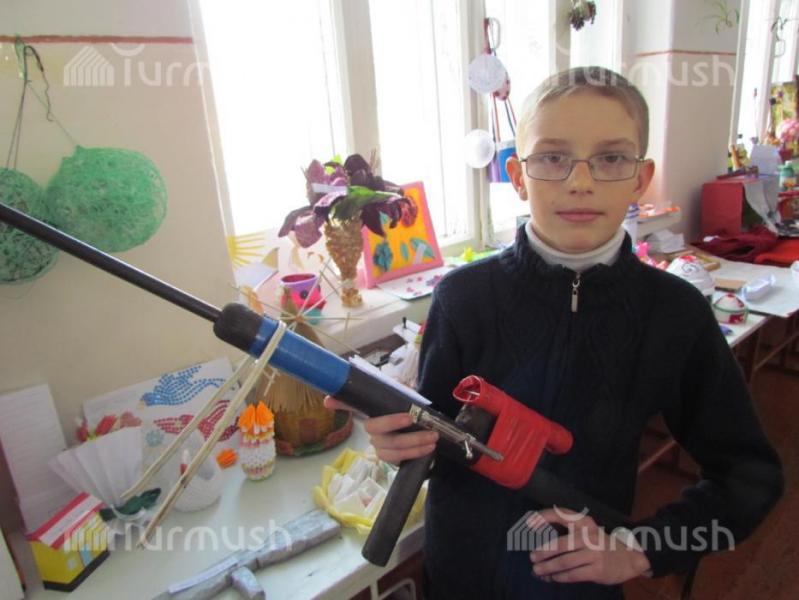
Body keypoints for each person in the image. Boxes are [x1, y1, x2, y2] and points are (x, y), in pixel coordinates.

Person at [325, 66, 784, 599]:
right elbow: (437, 436)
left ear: (640, 178)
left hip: (577, 589)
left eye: (611, 158)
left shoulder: (675, 314)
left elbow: (750, 476)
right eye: (551, 158)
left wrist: (643, 548)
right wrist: (403, 442)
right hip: (458, 578)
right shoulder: (463, 298)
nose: (579, 181)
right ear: (518, 177)